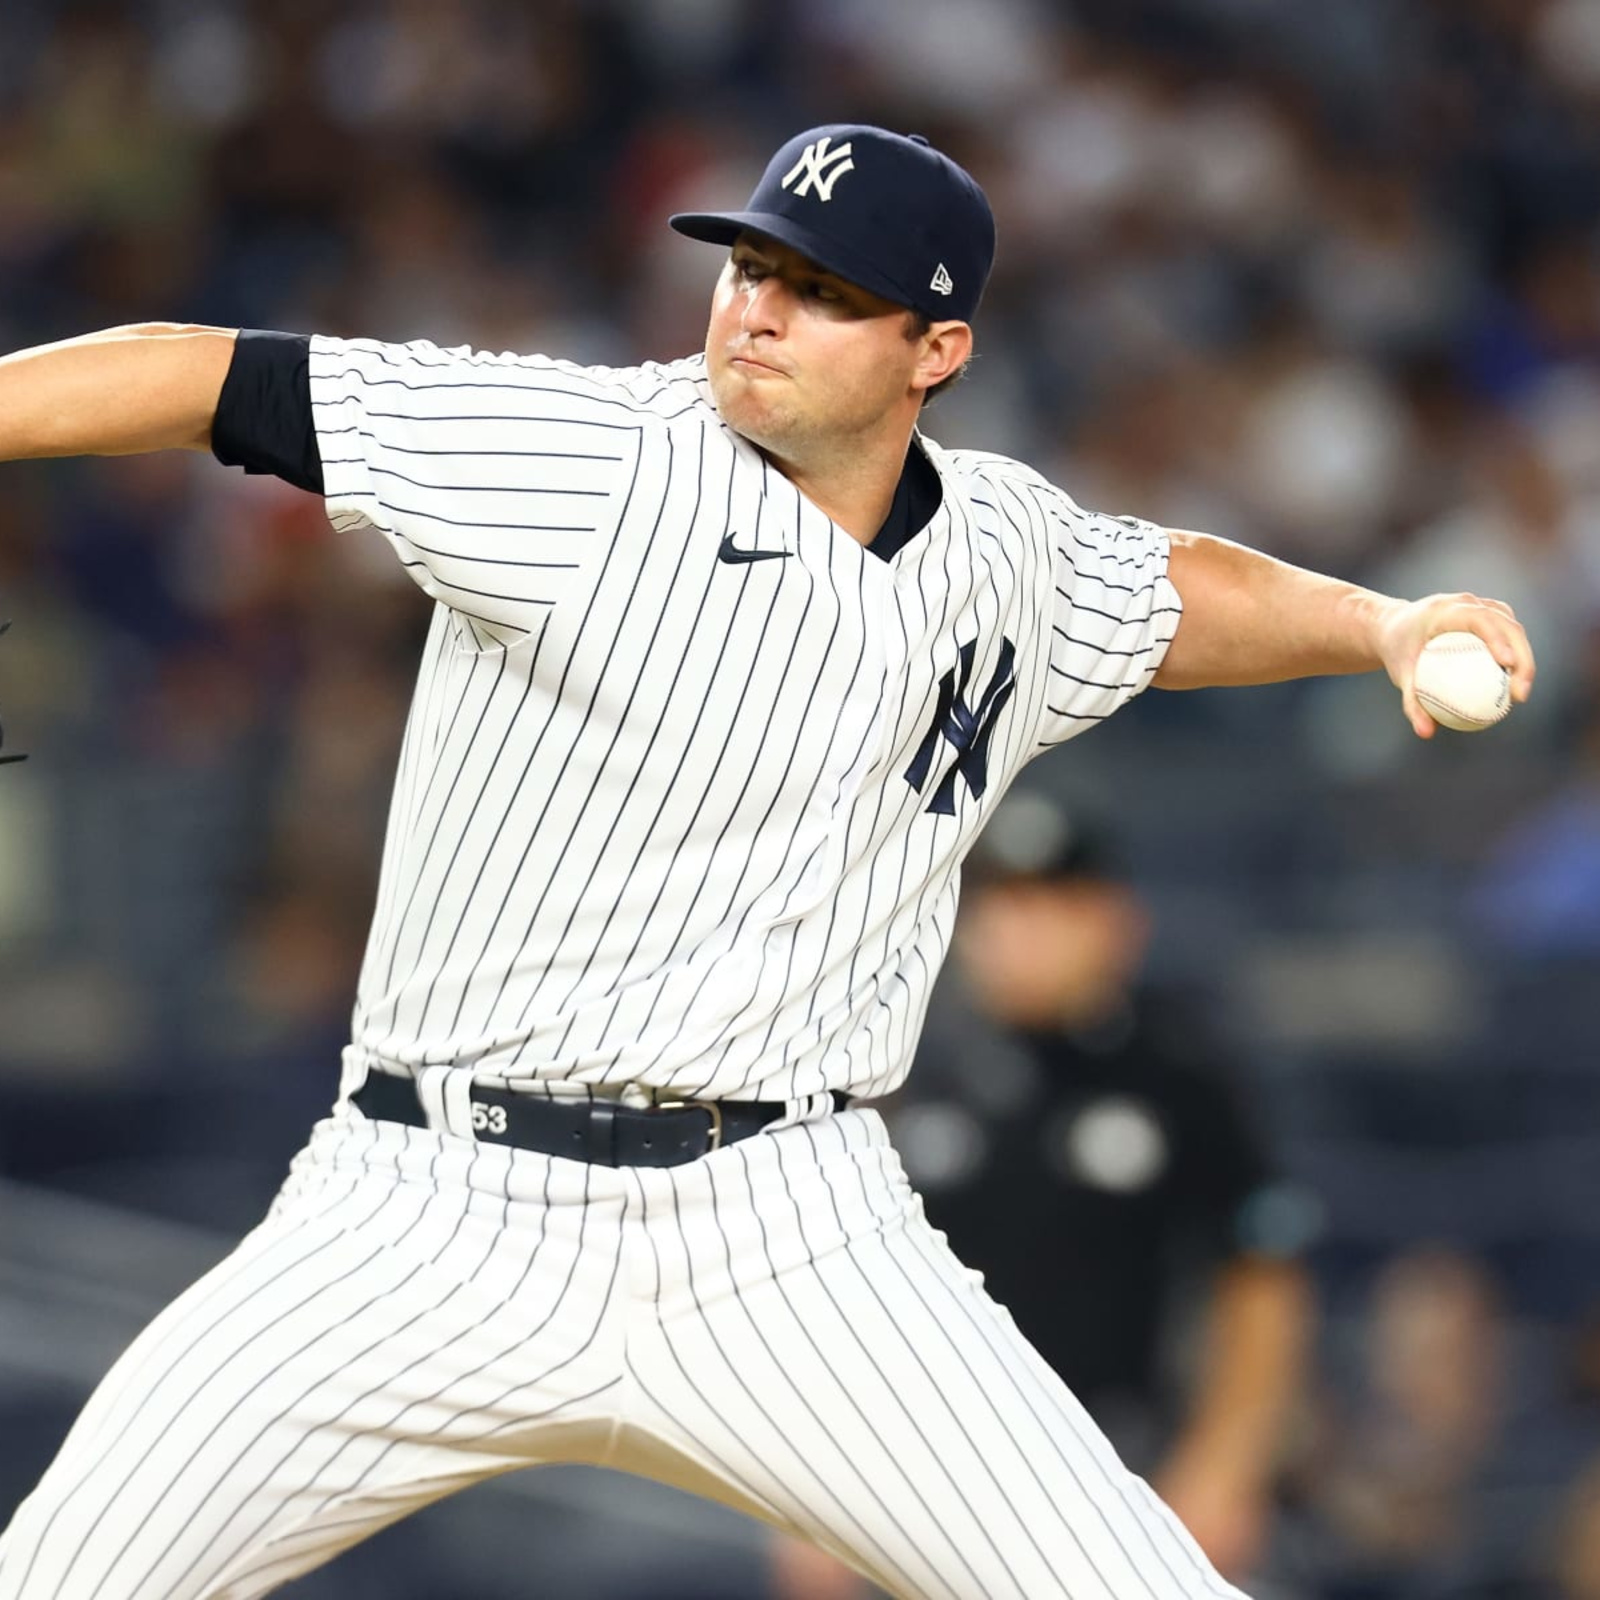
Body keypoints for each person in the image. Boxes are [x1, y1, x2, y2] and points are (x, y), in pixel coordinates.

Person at [0, 123, 1533, 1600]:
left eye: (824, 292)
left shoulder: (1006, 550)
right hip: (426, 1206)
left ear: (937, 351)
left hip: (788, 1230)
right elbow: (217, 376)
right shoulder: (583, 459)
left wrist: (1386, 625)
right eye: (749, 265)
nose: (760, 311)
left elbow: (1175, 594)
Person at [887, 788, 1315, 1584]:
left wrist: (1225, 1466)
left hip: (1126, 1463)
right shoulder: (909, 1074)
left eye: (1051, 904)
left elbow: (1261, 1282)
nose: (1018, 933)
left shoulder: (1178, 1074)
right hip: (938, 1473)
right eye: (1001, 905)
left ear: (1116, 921)